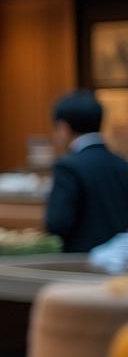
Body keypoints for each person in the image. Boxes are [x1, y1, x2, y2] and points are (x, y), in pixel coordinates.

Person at [45, 90, 128, 253]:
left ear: (63, 127)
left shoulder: (68, 167)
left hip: (80, 261)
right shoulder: (121, 164)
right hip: (120, 260)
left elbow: (58, 222)